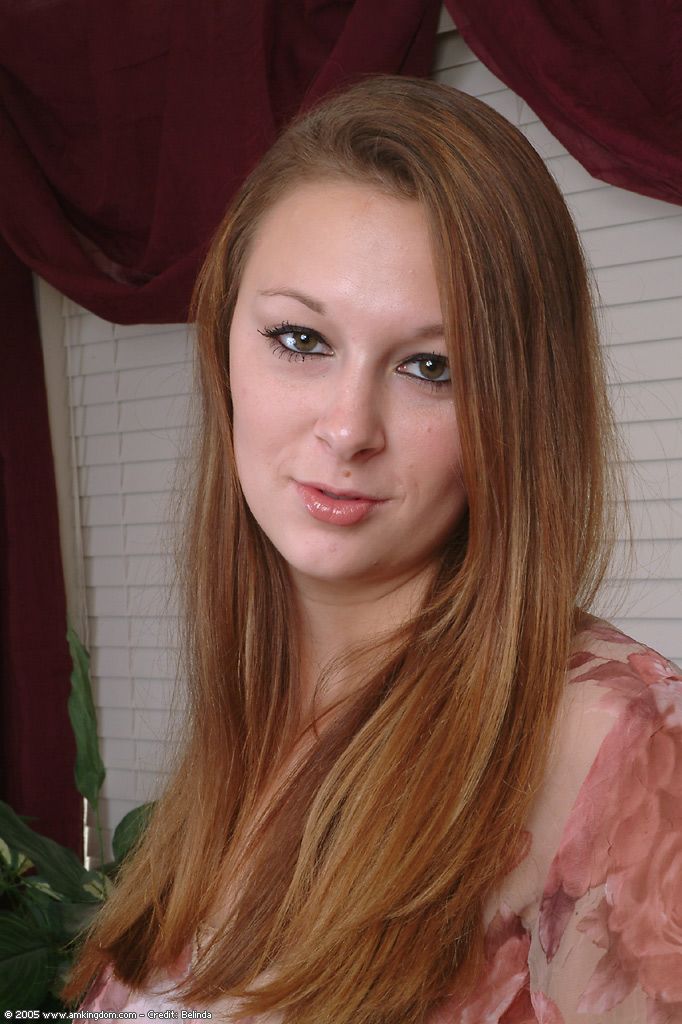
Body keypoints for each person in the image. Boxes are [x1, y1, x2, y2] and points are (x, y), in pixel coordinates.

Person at [65, 74, 682, 1023]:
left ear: (518, 406)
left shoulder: (623, 748)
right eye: (301, 339)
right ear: (223, 347)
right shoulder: (260, 713)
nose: (349, 428)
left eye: (431, 366)